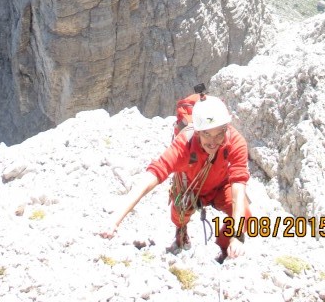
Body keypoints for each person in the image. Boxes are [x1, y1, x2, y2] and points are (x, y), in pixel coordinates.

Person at [100, 96, 252, 262]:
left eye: (219, 134)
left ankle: (225, 251)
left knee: (245, 215)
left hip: (220, 186)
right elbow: (153, 176)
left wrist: (235, 237)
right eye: (207, 134)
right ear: (198, 131)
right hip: (190, 187)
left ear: (226, 128)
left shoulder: (236, 143)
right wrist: (115, 219)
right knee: (179, 214)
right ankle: (181, 231)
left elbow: (238, 188)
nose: (213, 142)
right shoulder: (184, 145)